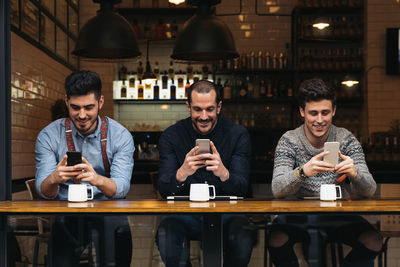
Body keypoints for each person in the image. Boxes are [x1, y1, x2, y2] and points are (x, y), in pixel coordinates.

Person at [268, 78, 382, 267]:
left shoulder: (346, 139)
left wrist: (355, 173)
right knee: (275, 238)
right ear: (302, 112)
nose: (319, 120)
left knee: (373, 240)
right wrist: (303, 172)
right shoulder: (289, 140)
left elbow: (369, 190)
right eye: (313, 113)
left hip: (338, 214)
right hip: (297, 214)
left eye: (325, 113)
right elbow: (277, 189)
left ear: (334, 111)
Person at [35, 70, 134, 267]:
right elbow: (43, 190)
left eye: (89, 107)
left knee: (117, 253)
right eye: (75, 107)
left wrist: (96, 179)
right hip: (67, 215)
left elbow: (121, 187)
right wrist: (54, 178)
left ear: (101, 102)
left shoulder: (120, 136)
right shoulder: (49, 136)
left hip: (108, 213)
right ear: (66, 102)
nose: (81, 115)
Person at [156, 80, 257, 267]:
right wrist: (181, 173)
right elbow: (163, 189)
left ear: (219, 107)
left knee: (243, 233)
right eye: (197, 109)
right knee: (166, 232)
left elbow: (242, 188)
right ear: (188, 107)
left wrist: (224, 173)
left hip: (227, 214)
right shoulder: (172, 135)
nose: (203, 116)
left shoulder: (237, 134)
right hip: (184, 214)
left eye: (209, 109)